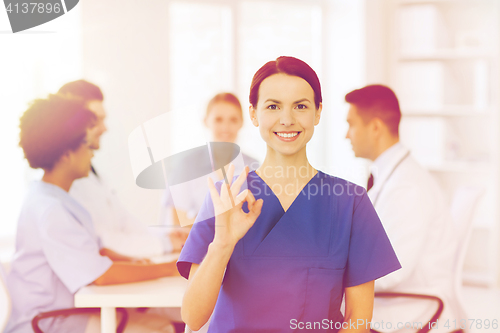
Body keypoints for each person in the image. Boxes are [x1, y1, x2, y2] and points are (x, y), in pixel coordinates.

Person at [177, 56, 401, 332]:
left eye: (301, 106)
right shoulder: (226, 197)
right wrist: (222, 244)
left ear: (318, 112)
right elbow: (192, 316)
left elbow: (358, 319)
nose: (287, 119)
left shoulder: (350, 204)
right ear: (254, 113)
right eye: (273, 106)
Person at [6, 94, 177, 333]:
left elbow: (96, 251)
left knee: (162, 324)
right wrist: (169, 268)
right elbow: (101, 276)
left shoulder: (55, 197)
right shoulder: (51, 209)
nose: (93, 153)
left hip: (67, 311)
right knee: (161, 329)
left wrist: (131, 261)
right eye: (87, 146)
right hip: (51, 321)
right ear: (66, 154)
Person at [345, 84, 461, 332]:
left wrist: (335, 272)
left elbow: (392, 270)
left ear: (375, 128)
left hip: (412, 308)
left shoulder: (407, 186)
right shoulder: (392, 176)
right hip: (402, 300)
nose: (347, 135)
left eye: (351, 124)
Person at [58, 80, 186, 257]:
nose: (104, 128)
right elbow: (100, 240)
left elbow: (123, 222)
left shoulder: (93, 171)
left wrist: (164, 236)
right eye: (96, 120)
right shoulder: (65, 180)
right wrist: (164, 244)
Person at [160, 92, 259, 227]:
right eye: (218, 119)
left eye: (233, 120)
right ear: (206, 121)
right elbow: (178, 222)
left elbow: (257, 218)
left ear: (241, 123)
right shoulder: (186, 165)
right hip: (195, 245)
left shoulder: (254, 166)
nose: (225, 127)